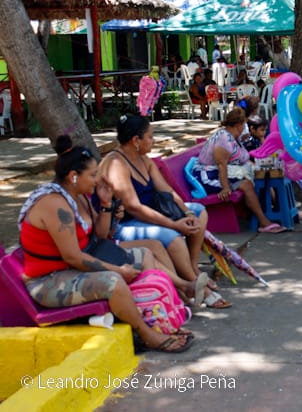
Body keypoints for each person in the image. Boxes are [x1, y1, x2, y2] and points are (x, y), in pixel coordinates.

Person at [18, 136, 194, 353]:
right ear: (73, 176)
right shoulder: (55, 204)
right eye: (92, 175)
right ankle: (145, 333)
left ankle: (157, 319)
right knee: (113, 281)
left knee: (144, 255)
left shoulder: (78, 196)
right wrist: (118, 270)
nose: (96, 180)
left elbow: (101, 235)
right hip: (48, 282)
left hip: (73, 268)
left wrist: (106, 204)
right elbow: (74, 257)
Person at [99, 116, 231, 309]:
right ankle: (192, 282)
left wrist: (187, 213)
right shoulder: (116, 164)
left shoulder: (144, 160)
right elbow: (134, 207)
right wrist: (173, 224)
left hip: (150, 213)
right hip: (124, 224)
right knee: (170, 235)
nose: (153, 141)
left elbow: (166, 191)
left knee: (199, 211)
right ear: (136, 141)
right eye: (150, 137)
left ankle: (193, 266)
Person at [194, 108, 286, 235]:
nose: (245, 127)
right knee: (246, 185)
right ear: (238, 125)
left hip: (223, 173)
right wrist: (226, 188)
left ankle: (278, 212)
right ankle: (263, 222)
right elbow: (222, 165)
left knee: (260, 178)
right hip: (209, 177)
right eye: (244, 124)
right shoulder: (224, 140)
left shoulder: (234, 137)